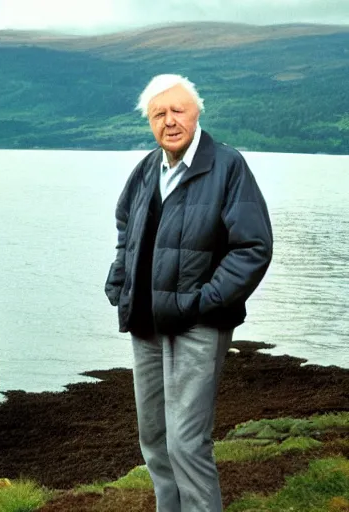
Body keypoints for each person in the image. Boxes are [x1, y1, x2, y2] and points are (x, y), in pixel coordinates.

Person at [105, 74, 273, 512]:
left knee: (186, 440)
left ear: (197, 112)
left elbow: (253, 248)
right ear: (150, 122)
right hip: (145, 322)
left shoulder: (228, 166)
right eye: (159, 114)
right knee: (155, 440)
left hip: (198, 325)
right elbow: (126, 227)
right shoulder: (146, 169)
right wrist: (119, 281)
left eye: (177, 110)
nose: (169, 121)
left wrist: (202, 302)